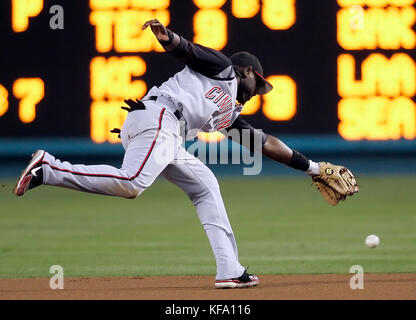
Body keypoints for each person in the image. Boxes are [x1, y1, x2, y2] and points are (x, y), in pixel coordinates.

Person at [13, 20, 349, 289]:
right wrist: (168, 37)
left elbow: (263, 143)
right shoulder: (225, 70)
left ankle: (230, 270)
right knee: (132, 183)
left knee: (205, 185)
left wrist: (314, 168)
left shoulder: (228, 114)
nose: (257, 93)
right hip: (160, 117)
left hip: (162, 129)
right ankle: (49, 168)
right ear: (247, 71)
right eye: (257, 85)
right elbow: (189, 52)